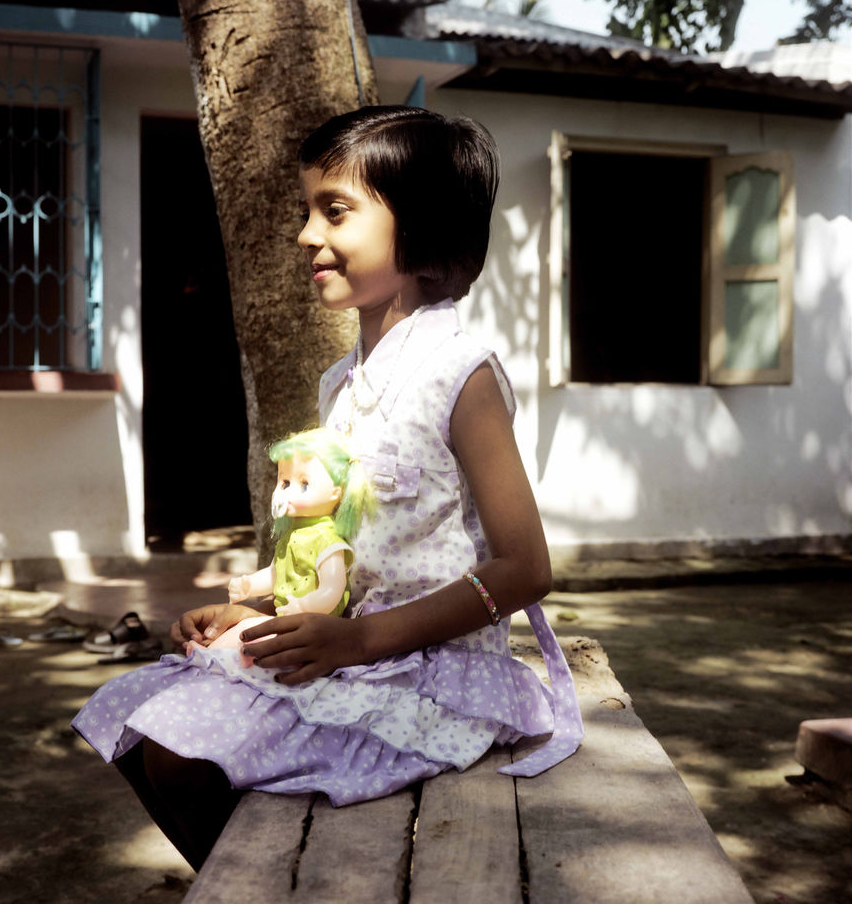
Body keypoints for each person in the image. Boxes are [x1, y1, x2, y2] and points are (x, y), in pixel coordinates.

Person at [72, 105, 582, 870]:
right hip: (352, 652)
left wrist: (362, 640)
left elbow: (525, 569)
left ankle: (265, 883)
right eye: (307, 211)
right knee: (136, 720)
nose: (307, 235)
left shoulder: (461, 375)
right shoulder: (341, 383)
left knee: (180, 757)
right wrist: (263, 609)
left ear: (420, 227)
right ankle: (249, 882)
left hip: (431, 672)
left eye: (334, 211)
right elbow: (352, 546)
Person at [187, 427, 373, 664]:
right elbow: (276, 573)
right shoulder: (293, 535)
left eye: (304, 485)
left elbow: (333, 588)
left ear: (336, 493)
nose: (288, 492)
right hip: (286, 617)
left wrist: (305, 605)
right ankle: (210, 655)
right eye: (285, 483)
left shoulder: (327, 541)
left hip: (313, 625)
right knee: (248, 626)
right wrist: (249, 585)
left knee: (258, 635)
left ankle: (218, 659)